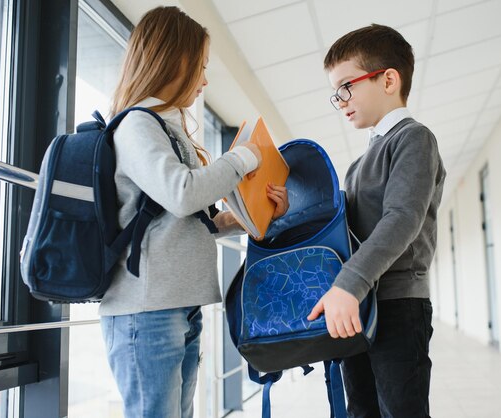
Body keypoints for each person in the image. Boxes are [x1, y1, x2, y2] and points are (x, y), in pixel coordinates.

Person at [98, 6, 288, 418]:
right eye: (199, 67)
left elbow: (190, 219)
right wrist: (243, 159)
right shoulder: (135, 126)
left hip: (178, 305)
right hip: (145, 312)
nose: (203, 80)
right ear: (173, 61)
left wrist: (250, 216)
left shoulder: (168, 130)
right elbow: (182, 194)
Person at [307, 24, 446, 418]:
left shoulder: (414, 139)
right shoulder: (358, 164)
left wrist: (348, 283)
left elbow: (402, 218)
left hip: (398, 304)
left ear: (388, 79)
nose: (341, 100)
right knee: (362, 411)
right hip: (360, 305)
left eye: (346, 86)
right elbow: (347, 228)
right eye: (337, 93)